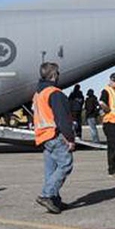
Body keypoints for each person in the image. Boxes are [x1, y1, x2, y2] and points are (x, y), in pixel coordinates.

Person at [33, 62, 75, 214]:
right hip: (54, 135)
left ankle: (54, 201)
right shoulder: (54, 93)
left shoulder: (38, 94)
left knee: (51, 171)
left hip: (43, 137)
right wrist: (70, 139)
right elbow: (62, 119)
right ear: (54, 75)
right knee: (66, 165)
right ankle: (47, 195)